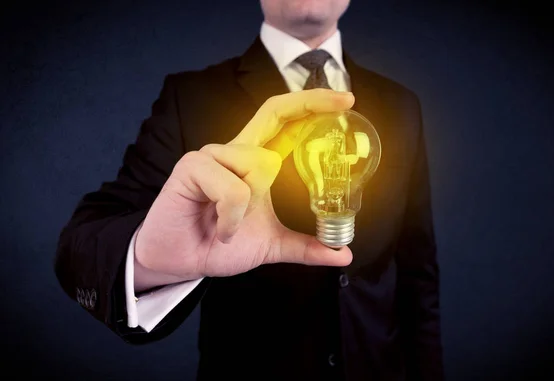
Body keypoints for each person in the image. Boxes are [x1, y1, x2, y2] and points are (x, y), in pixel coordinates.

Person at [55, 0, 443, 379]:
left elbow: (417, 271)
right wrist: (146, 257)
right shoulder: (191, 97)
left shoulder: (400, 104)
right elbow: (83, 243)